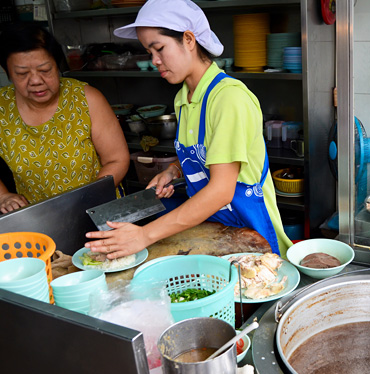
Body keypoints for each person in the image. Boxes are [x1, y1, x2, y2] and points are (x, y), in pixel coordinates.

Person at [85, 0, 292, 258]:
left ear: (189, 39)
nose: (155, 61)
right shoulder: (184, 97)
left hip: (253, 239)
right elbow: (206, 153)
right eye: (149, 53)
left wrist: (143, 235)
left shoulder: (228, 99)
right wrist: (173, 170)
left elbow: (220, 191)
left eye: (159, 48)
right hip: (213, 231)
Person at [0, 23, 130, 214]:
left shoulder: (86, 98)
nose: (36, 80)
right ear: (8, 74)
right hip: (39, 218)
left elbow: (117, 160)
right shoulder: (2, 106)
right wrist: (3, 195)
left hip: (100, 210)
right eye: (22, 74)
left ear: (57, 65)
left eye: (45, 70)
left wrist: (86, 200)